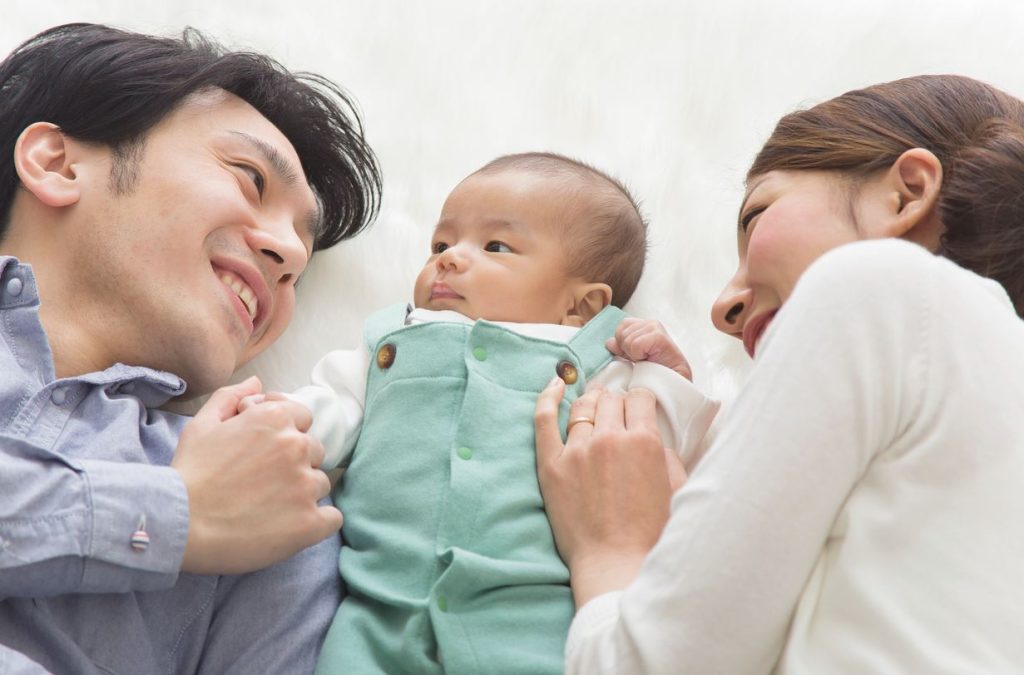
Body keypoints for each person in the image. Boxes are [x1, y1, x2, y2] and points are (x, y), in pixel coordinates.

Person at [534, 74, 1024, 673]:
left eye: (757, 216)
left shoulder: (880, 288)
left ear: (906, 194)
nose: (721, 307)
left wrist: (610, 550)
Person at [0, 23, 381, 673]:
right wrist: (171, 517)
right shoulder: (216, 499)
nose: (289, 255)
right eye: (250, 179)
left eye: (302, 263)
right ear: (58, 164)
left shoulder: (271, 499)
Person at [251, 152, 718, 674]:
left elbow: (662, 451)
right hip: (379, 620)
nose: (448, 259)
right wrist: (276, 421)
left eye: (496, 246)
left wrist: (665, 375)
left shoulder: (595, 359)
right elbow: (331, 403)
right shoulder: (393, 340)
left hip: (531, 626)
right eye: (441, 244)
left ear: (581, 306)